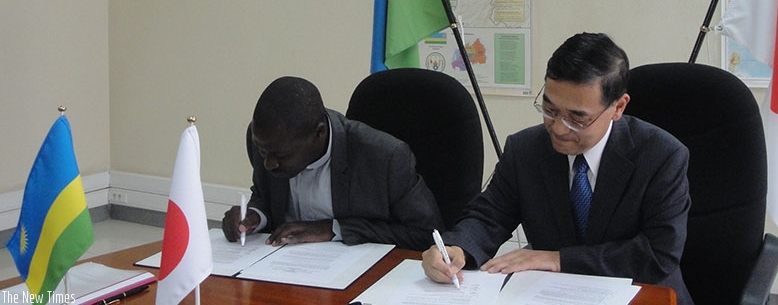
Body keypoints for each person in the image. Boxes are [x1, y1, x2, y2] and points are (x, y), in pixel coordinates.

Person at [422, 32, 694, 305]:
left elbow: (658, 254)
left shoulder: (661, 156)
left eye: (577, 118)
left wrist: (558, 259)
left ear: (618, 107)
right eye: (550, 110)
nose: (560, 129)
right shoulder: (525, 149)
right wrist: (458, 248)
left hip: (642, 293)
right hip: (551, 295)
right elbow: (489, 216)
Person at [222, 76, 442, 251]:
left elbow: (427, 234)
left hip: (357, 276)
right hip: (280, 270)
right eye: (263, 152)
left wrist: (334, 229)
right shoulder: (265, 141)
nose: (269, 163)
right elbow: (265, 197)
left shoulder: (385, 156)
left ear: (319, 133)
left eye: (281, 155)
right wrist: (254, 216)